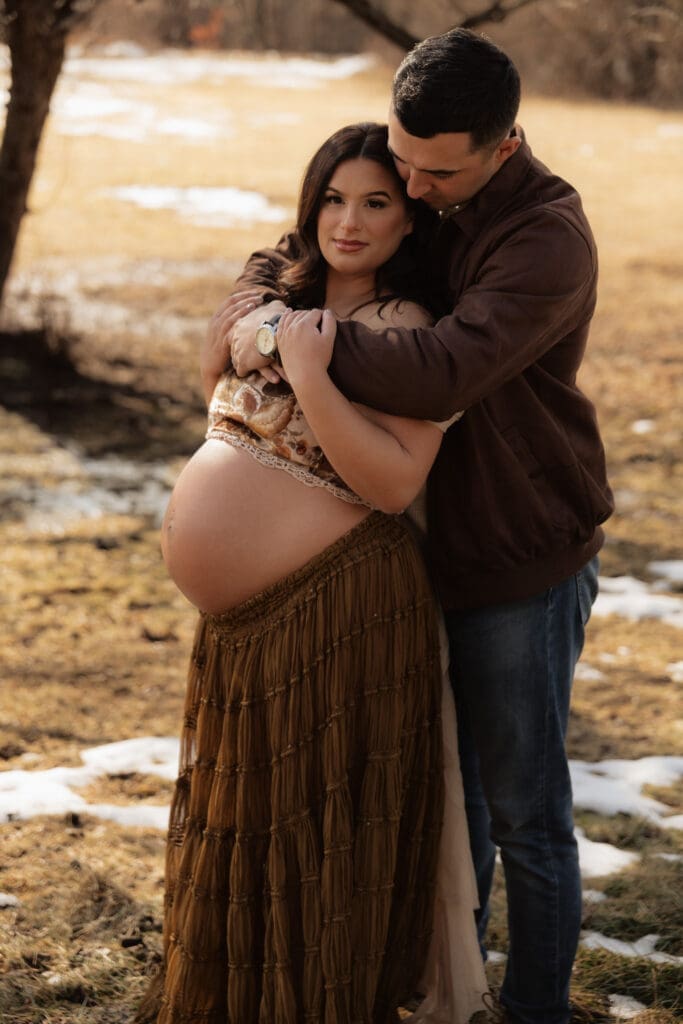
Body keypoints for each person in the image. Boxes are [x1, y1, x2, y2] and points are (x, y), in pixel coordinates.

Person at [213, 29, 614, 1024]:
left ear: (501, 148)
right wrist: (259, 320)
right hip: (415, 554)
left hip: (514, 549)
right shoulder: (417, 190)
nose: (410, 184)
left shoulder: (543, 238)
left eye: (434, 171)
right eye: (401, 160)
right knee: (449, 795)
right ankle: (454, 990)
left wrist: (301, 350)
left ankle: (532, 1009)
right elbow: (284, 254)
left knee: (523, 805)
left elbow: (439, 371)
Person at [139, 122, 488, 1024]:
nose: (350, 220)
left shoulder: (411, 329)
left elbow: (394, 479)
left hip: (335, 609)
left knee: (304, 832)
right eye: (334, 198)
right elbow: (219, 400)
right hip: (241, 629)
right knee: (242, 826)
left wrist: (312, 373)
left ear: (410, 221)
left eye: (377, 203)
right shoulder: (276, 294)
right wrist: (242, 339)